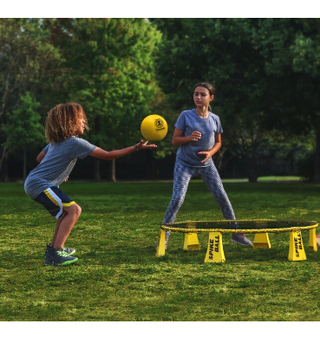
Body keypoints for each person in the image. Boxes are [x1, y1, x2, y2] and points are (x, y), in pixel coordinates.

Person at [24, 102, 157, 266]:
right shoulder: (75, 143)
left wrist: (59, 171)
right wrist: (135, 148)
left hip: (35, 181)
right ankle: (55, 253)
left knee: (67, 212)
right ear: (70, 122)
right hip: (40, 184)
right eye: (80, 119)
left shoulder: (55, 142)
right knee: (74, 210)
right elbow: (108, 155)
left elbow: (39, 158)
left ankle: (54, 248)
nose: (84, 123)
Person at [162, 82, 253, 248]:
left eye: (202, 94)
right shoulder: (185, 116)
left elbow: (218, 142)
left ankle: (236, 233)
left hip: (207, 165)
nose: (198, 97)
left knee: (222, 197)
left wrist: (210, 153)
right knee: (177, 199)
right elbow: (175, 140)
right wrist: (188, 138)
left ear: (211, 98)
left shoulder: (215, 119)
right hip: (185, 164)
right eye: (196, 94)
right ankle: (164, 237)